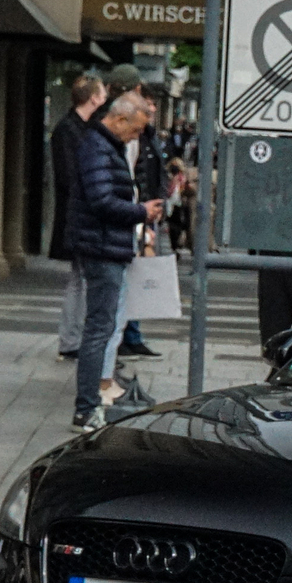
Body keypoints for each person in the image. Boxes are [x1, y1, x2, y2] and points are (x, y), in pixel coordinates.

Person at [69, 93, 164, 430]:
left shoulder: (104, 145)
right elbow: (101, 200)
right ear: (121, 120)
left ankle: (90, 403)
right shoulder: (98, 146)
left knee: (103, 326)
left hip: (106, 245)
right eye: (136, 130)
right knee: (99, 328)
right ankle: (87, 407)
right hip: (102, 247)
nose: (136, 137)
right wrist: (141, 211)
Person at [104, 64, 163, 361]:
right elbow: (112, 189)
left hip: (134, 213)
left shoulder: (136, 134)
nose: (133, 135)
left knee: (127, 288)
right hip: (122, 221)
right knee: (110, 307)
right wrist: (141, 211)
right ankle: (106, 370)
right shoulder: (105, 139)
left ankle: (129, 338)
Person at [50, 73, 106, 361]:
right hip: (79, 215)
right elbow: (68, 177)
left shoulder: (89, 128)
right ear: (93, 98)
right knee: (80, 279)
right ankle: (72, 340)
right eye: (102, 94)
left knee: (81, 278)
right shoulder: (67, 130)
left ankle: (74, 339)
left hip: (84, 213)